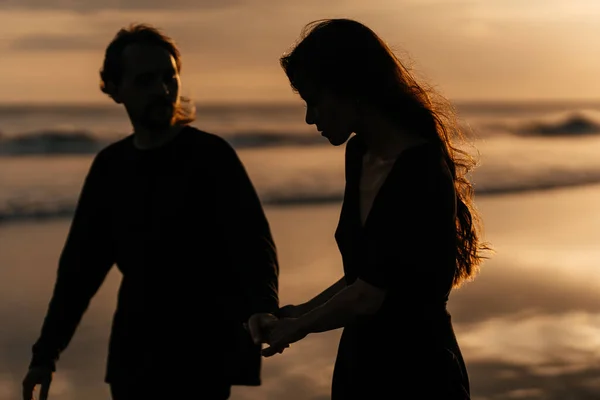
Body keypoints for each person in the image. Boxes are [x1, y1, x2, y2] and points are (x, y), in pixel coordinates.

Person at [22, 24, 279, 400]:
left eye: (168, 78)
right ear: (114, 88)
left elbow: (254, 244)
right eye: (145, 81)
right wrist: (44, 356)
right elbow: (79, 271)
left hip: (204, 352)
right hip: (135, 355)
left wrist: (263, 307)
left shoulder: (211, 157)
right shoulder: (110, 168)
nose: (162, 91)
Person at [247, 18, 491, 399]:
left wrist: (299, 328)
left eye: (315, 100)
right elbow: (365, 275)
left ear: (352, 91)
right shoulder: (359, 153)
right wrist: (299, 312)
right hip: (361, 366)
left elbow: (370, 295)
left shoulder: (421, 170)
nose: (310, 117)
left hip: (418, 372)